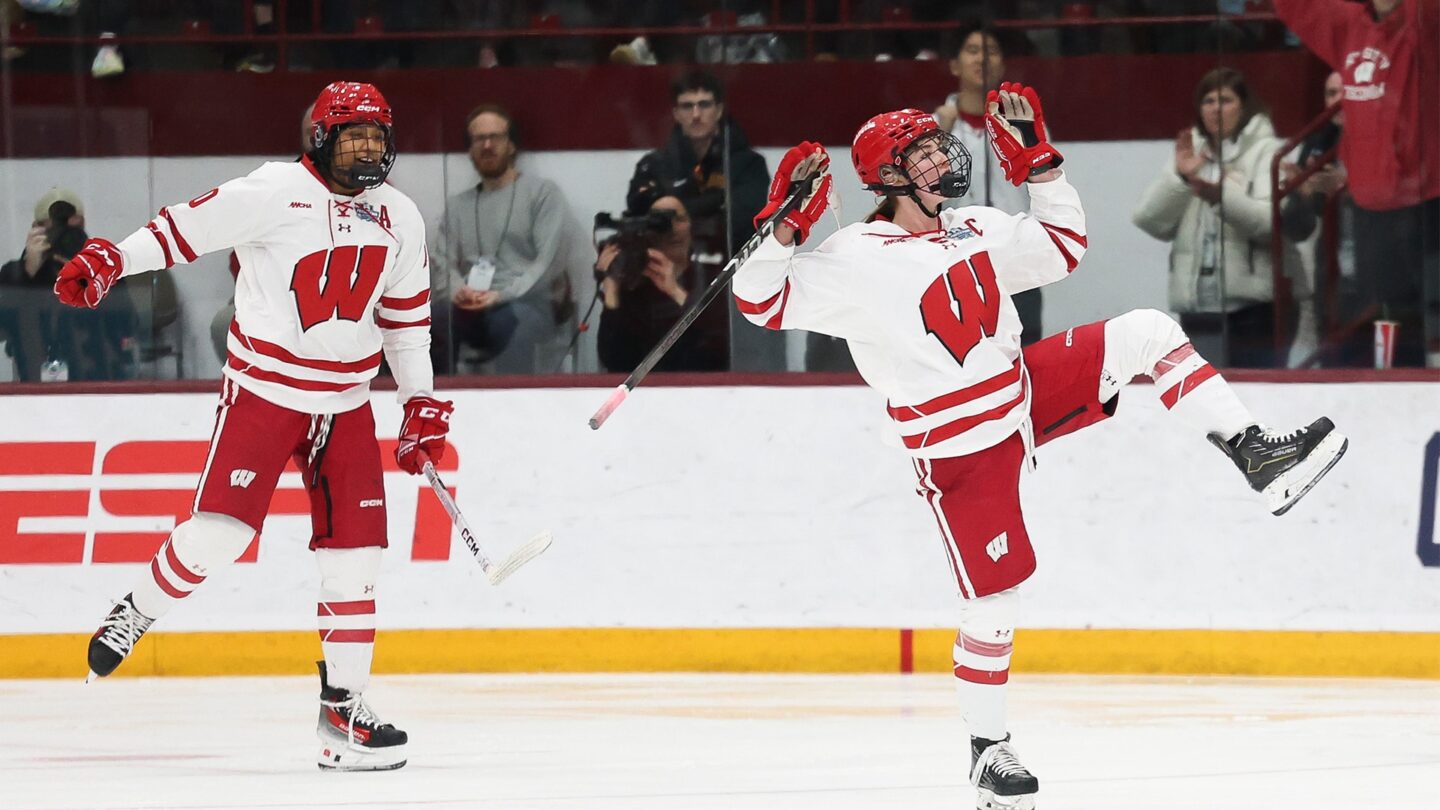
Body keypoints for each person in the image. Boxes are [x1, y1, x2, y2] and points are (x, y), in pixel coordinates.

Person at [731, 89, 1348, 809]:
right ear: (890, 177)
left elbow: (1062, 247)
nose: (941, 156)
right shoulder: (852, 257)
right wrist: (784, 225)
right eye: (921, 153)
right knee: (994, 601)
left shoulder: (975, 225)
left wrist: (1041, 168)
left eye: (936, 145)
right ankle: (988, 752)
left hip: (1022, 396)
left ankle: (1257, 456)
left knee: (1148, 331)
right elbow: (759, 299)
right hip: (959, 449)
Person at [54, 82, 451, 773]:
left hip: (347, 404)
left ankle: (343, 714)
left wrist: (419, 404)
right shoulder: (274, 190)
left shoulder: (401, 217)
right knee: (220, 535)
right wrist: (114, 259)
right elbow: (182, 229)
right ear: (321, 138)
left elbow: (407, 323)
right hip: (265, 393)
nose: (367, 148)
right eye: (353, 134)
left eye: (377, 135)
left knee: (356, 560)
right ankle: (138, 608)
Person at [1273, 0, 1439, 367]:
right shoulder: (1350, 25)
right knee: (1389, 323)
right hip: (1372, 206)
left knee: (1430, 320)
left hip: (1428, 201)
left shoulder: (1425, 17)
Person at [1131, 67, 1307, 368]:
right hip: (1199, 305)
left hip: (1256, 307)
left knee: (1256, 392)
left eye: (1225, 100)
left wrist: (1222, 197)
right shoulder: (1192, 152)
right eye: (1208, 101)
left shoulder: (1268, 152)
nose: (1215, 109)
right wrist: (1182, 178)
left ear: (1245, 106)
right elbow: (1148, 220)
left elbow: (1270, 224)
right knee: (1204, 393)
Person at [626, 70, 773, 371]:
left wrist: (677, 204)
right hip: (670, 274)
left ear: (718, 110)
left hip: (733, 275)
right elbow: (640, 211)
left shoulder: (748, 164)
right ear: (675, 113)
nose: (696, 114)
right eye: (687, 105)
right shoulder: (654, 164)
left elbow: (745, 216)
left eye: (704, 104)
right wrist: (716, 201)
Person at [430, 103, 579, 374]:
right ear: (470, 148)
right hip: (471, 304)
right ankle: (436, 396)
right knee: (434, 319)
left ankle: (512, 399)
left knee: (511, 324)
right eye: (479, 139)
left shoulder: (542, 194)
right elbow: (442, 262)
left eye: (495, 137)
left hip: (527, 303)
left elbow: (548, 263)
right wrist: (459, 292)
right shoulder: (458, 206)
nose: (487, 145)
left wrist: (501, 295)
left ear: (511, 145)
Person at [932, 24, 1042, 344]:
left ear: (1002, 65)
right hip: (955, 263)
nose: (982, 59)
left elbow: (1044, 183)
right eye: (973, 50)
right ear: (954, 65)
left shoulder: (1022, 123)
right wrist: (941, 135)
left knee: (1025, 352)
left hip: (1015, 261)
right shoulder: (935, 128)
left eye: (991, 51)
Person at [0, 187, 136, 381]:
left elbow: (129, 324)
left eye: (71, 231)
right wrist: (27, 274)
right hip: (36, 387)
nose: (64, 237)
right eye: (56, 229)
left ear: (82, 226)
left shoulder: (103, 268)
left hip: (98, 384)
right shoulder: (14, 274)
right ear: (35, 229)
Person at [595, 194, 727, 373]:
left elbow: (721, 348)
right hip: (648, 385)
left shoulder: (710, 273)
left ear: (691, 225)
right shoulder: (636, 284)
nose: (673, 229)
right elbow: (615, 362)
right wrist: (611, 289)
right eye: (661, 221)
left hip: (703, 383)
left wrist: (676, 291)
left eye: (679, 219)